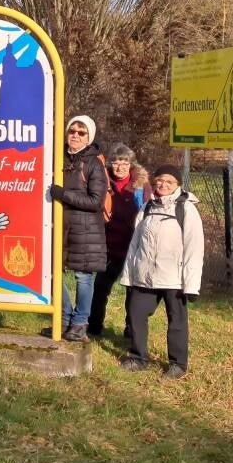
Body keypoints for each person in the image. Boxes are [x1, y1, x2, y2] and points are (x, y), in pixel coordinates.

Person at [119, 165, 204, 379]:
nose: (163, 185)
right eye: (160, 180)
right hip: (145, 276)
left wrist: (192, 285)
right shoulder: (147, 207)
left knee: (176, 321)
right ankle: (138, 357)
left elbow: (194, 248)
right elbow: (135, 245)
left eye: (169, 181)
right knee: (136, 314)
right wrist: (128, 276)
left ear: (177, 185)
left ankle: (177, 365)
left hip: (174, 278)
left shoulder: (186, 209)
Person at [47, 115, 108, 341]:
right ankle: (63, 319)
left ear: (88, 137)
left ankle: (80, 322)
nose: (75, 135)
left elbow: (96, 202)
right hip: (60, 228)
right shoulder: (57, 157)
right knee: (53, 273)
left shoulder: (94, 164)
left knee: (83, 278)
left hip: (86, 231)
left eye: (81, 133)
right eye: (72, 131)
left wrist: (64, 195)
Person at [88, 143, 152, 337]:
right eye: (116, 162)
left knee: (133, 292)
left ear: (131, 164)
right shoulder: (103, 182)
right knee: (100, 289)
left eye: (124, 163)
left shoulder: (142, 186)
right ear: (110, 164)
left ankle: (131, 329)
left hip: (133, 247)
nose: (120, 167)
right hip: (108, 246)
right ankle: (94, 326)